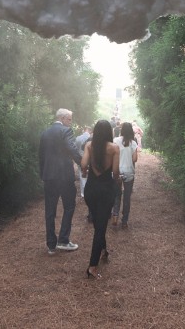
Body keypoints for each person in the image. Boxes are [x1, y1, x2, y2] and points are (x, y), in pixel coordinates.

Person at [39, 108, 82, 254]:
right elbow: (72, 149)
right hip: (64, 177)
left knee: (50, 210)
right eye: (69, 119)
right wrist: (83, 164)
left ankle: (51, 245)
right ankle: (63, 240)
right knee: (69, 206)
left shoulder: (45, 133)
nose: (70, 122)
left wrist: (43, 175)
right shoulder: (66, 131)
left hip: (49, 177)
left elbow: (41, 157)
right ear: (63, 118)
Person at [81, 119, 120, 279]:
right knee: (100, 228)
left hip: (90, 189)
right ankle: (92, 266)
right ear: (109, 132)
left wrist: (85, 173)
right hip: (105, 189)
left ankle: (103, 251)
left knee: (98, 222)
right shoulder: (114, 148)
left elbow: (83, 165)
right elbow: (116, 172)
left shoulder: (89, 146)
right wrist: (115, 179)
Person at [112, 122, 139, 227]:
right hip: (129, 172)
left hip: (117, 171)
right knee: (127, 197)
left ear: (122, 130)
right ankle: (124, 221)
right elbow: (135, 159)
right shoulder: (133, 143)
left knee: (117, 195)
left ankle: (115, 215)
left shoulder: (115, 141)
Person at [75, 125, 92, 198]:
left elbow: (75, 149)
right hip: (90, 159)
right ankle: (89, 191)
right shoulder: (91, 138)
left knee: (82, 175)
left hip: (80, 159)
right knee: (90, 175)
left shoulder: (78, 138)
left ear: (84, 130)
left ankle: (83, 193)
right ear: (90, 130)